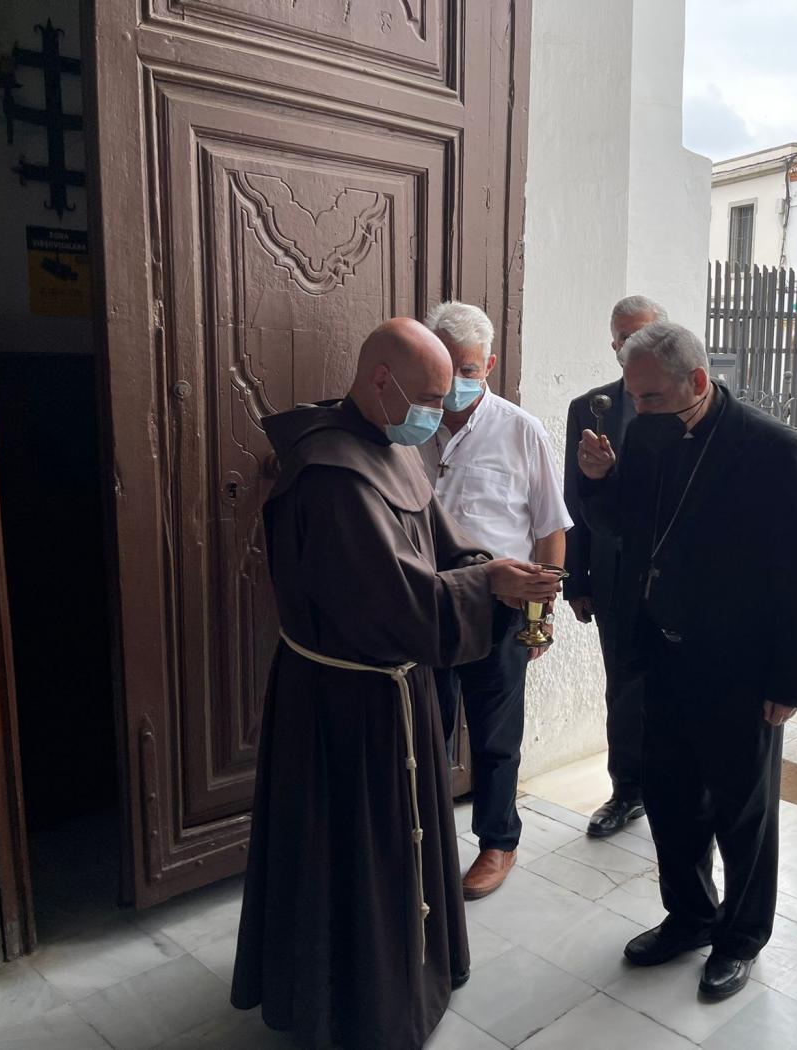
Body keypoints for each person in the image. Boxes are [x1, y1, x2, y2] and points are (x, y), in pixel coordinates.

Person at [231, 318, 562, 1050]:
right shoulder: (330, 475)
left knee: (402, 841)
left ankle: (416, 971)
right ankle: (355, 1000)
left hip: (393, 691)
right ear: (381, 381)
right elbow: (400, 602)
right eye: (431, 397)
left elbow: (440, 539)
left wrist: (490, 567)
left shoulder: (388, 444)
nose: (440, 415)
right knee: (351, 853)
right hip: (343, 704)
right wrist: (490, 583)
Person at [576, 322, 797, 1002]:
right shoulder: (649, 430)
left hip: (742, 669)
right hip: (662, 652)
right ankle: (689, 916)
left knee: (743, 814)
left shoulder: (775, 449)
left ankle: (741, 937)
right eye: (633, 398)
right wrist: (596, 481)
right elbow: (624, 525)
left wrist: (789, 680)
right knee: (669, 799)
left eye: (650, 397)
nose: (639, 410)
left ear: (696, 381)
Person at [419, 301, 575, 900]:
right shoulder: (409, 426)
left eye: (467, 367)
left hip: (500, 611)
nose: (455, 380)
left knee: (494, 736)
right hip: (428, 607)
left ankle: (498, 842)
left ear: (488, 364)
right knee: (423, 731)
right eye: (445, 365)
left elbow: (550, 529)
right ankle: (423, 840)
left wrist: (541, 615)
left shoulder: (519, 429)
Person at [563, 294, 666, 838]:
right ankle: (626, 792)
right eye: (623, 337)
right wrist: (575, 578)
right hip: (613, 576)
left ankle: (672, 788)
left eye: (643, 333)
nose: (633, 344)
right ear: (613, 346)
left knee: (673, 690)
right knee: (623, 687)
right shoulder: (591, 406)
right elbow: (575, 498)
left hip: (677, 581)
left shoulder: (692, 401)